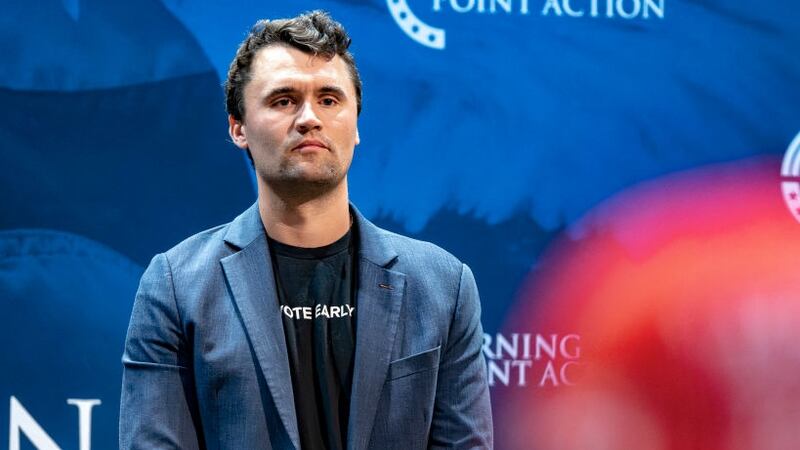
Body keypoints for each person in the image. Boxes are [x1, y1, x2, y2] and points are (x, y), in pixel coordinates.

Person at [119, 10, 492, 450]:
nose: (309, 118)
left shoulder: (444, 287)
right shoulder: (176, 287)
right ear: (238, 128)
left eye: (330, 99)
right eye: (283, 100)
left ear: (356, 126)